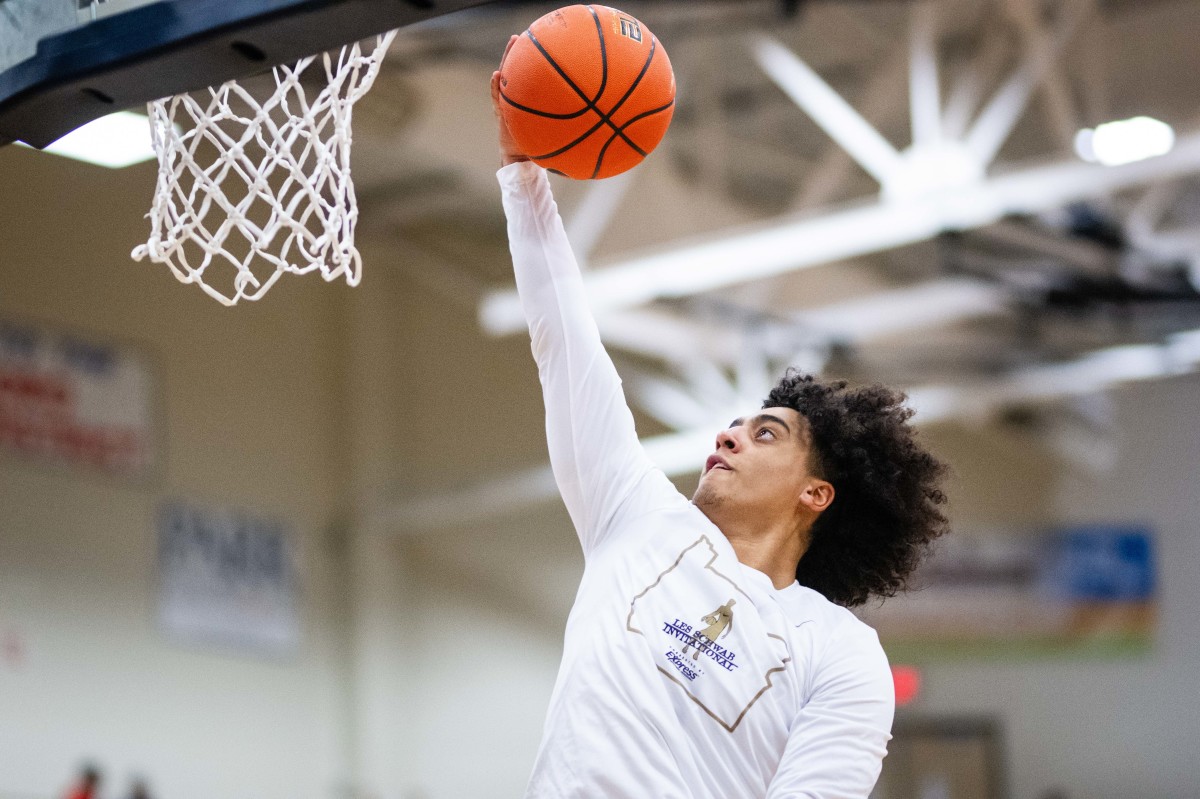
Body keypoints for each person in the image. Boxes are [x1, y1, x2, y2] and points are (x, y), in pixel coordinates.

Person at [491, 35, 949, 799]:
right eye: (739, 423)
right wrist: (522, 173)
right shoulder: (633, 518)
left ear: (816, 493)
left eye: (766, 432)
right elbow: (564, 337)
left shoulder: (839, 651)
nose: (728, 433)